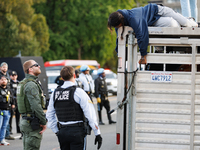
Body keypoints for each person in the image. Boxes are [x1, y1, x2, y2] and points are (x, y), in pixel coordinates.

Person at [107, 3, 198, 64]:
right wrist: (119, 53)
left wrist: (143, 55)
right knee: (173, 24)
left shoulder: (134, 19)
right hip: (153, 21)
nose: (116, 28)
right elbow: (119, 39)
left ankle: (193, 21)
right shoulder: (119, 20)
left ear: (120, 22)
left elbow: (142, 35)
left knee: (185, 24)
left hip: (159, 11)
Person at [46, 66, 102, 150]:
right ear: (74, 75)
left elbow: (49, 114)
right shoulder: (79, 92)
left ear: (62, 78)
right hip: (77, 131)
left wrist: (57, 131)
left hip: (62, 131)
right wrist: (97, 133)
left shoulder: (55, 93)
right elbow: (90, 114)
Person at [17, 60, 47, 150]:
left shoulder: (24, 83)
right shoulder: (31, 84)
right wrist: (43, 121)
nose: (39, 67)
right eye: (36, 65)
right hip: (31, 123)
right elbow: (36, 106)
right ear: (30, 69)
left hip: (26, 120)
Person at [0, 75, 15, 146]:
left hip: (7, 110)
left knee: (4, 126)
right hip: (0, 110)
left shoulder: (9, 89)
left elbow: (12, 98)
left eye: (5, 79)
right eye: (2, 79)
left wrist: (13, 104)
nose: (3, 81)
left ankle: (2, 139)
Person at [9, 71, 21, 135]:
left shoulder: (19, 83)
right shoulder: (9, 83)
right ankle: (10, 129)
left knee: (18, 116)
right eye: (12, 75)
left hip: (18, 101)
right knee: (10, 116)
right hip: (12, 101)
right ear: (10, 76)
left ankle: (18, 129)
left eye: (15, 75)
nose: (14, 77)